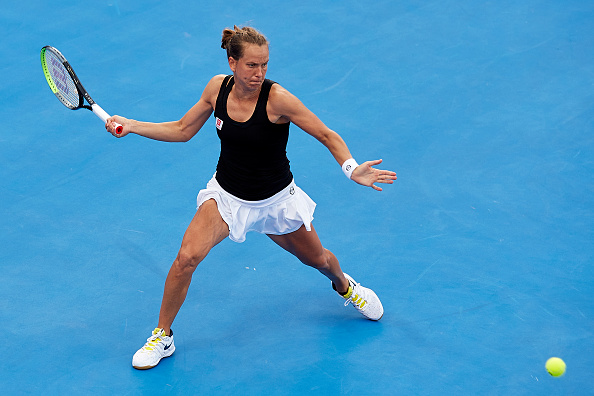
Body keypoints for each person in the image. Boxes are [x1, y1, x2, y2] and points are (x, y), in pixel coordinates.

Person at [106, 25, 397, 370]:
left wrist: (351, 168)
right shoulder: (217, 88)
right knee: (186, 257)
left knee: (319, 260)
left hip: (276, 201)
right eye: (251, 66)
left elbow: (325, 133)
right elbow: (183, 130)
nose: (259, 73)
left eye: (265, 65)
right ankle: (162, 335)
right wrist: (133, 124)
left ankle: (346, 286)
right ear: (232, 62)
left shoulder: (278, 99)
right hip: (227, 197)